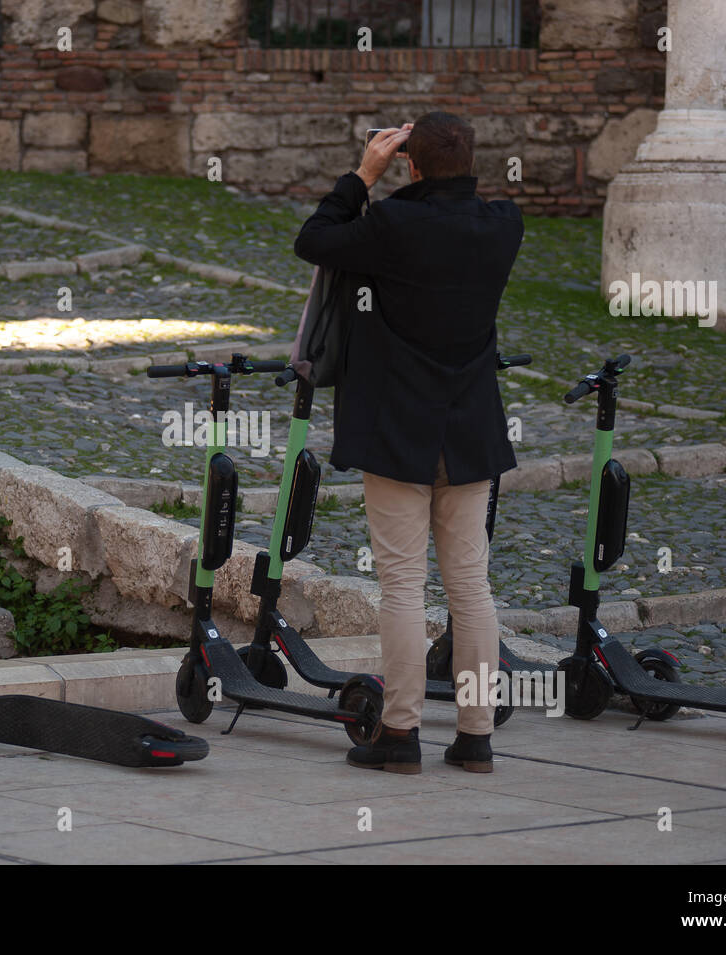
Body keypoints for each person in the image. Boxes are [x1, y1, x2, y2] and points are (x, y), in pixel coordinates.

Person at [293, 112, 523, 774]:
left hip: (398, 427)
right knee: (471, 585)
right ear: (472, 160)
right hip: (470, 426)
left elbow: (315, 240)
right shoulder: (504, 225)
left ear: (412, 166)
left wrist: (364, 173)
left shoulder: (391, 226)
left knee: (401, 583)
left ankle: (400, 733)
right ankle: (476, 735)